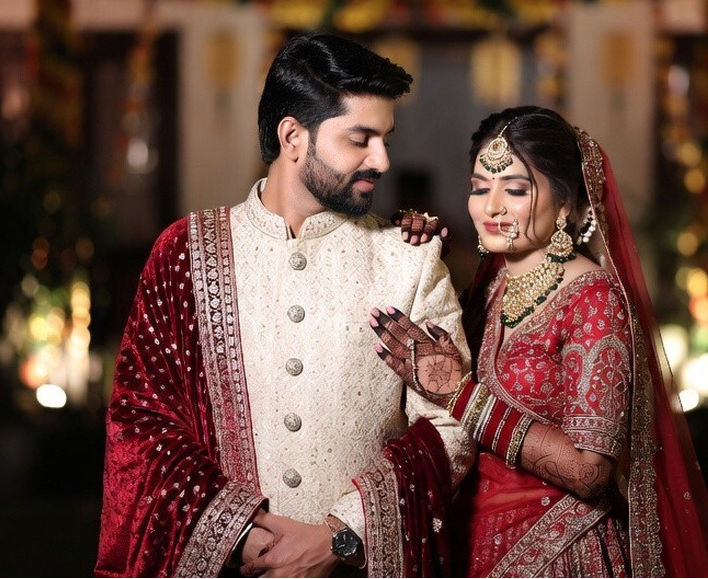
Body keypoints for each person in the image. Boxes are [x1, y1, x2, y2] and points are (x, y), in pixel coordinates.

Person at [94, 32, 473, 578]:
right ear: (293, 136)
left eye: (386, 138)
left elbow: (450, 424)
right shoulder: (186, 255)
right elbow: (142, 420)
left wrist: (341, 536)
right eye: (361, 139)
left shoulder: (408, 260)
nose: (383, 160)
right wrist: (238, 532)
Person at [372, 106, 708, 577]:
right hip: (469, 543)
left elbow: (589, 469)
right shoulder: (488, 287)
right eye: (479, 187)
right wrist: (411, 256)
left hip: (559, 551)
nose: (490, 207)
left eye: (515, 189)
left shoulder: (593, 299)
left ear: (565, 205)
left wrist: (462, 396)